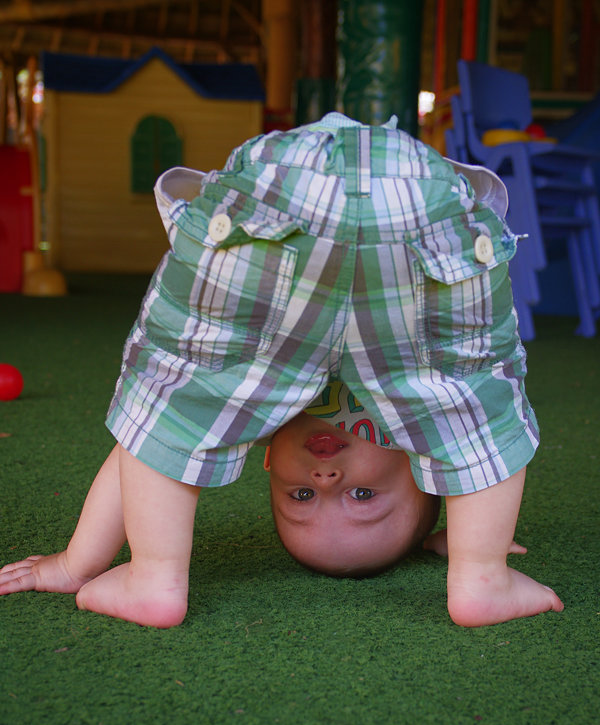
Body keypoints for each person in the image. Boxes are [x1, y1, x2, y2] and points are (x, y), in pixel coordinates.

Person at [0, 113, 563, 628]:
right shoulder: (419, 417)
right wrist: (476, 541)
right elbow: (474, 438)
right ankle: (481, 579)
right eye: (364, 496)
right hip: (419, 223)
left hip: (282, 208)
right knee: (472, 402)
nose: (325, 482)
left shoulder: (262, 405)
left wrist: (79, 563)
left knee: (174, 406)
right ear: (421, 463)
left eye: (299, 499)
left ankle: (155, 577)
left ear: (268, 460)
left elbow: (148, 443)